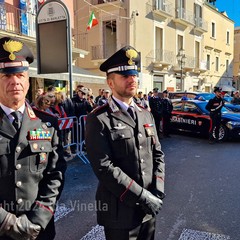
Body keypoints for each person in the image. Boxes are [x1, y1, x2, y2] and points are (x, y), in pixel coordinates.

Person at [85, 45, 165, 240]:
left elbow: (158, 154)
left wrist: (158, 190)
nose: (132, 80)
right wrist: (142, 196)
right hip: (119, 212)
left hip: (148, 209)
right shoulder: (99, 118)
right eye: (125, 76)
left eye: (134, 75)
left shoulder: (145, 114)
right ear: (110, 83)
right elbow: (104, 167)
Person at [0, 36, 66, 240]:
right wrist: (7, 222)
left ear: (28, 80)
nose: (15, 82)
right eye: (6, 76)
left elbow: (55, 175)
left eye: (20, 75)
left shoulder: (47, 123)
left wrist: (37, 220)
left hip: (38, 231)